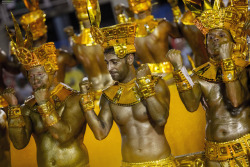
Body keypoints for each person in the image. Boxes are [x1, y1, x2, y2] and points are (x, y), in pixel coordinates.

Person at [80, 22, 176, 166]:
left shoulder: (156, 84)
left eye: (114, 62)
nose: (109, 68)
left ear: (129, 59)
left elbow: (161, 119)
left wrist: (145, 86)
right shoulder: (109, 95)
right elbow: (100, 133)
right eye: (107, 63)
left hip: (161, 163)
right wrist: (86, 101)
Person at [166, 0, 249, 166]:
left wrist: (227, 60)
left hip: (245, 146)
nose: (215, 40)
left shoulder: (243, 69)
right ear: (205, 44)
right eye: (210, 37)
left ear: (233, 43)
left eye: (221, 36)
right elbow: (191, 105)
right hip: (214, 150)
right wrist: (178, 69)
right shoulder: (200, 74)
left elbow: (235, 101)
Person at [2, 15, 90, 167]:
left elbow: (63, 136)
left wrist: (44, 104)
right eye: (31, 76)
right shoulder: (29, 106)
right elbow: (19, 143)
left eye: (40, 75)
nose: (35, 80)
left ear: (53, 72)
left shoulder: (73, 99)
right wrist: (14, 108)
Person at [114, 0, 181, 75]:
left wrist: (120, 17)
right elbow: (179, 33)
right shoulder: (162, 25)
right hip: (168, 73)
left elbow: (125, 52)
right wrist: (174, 7)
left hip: (148, 77)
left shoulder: (130, 33)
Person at [20, 0, 77, 82]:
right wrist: (72, 38)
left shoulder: (25, 65)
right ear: (45, 35)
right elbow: (75, 61)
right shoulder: (59, 56)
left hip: (38, 95)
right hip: (61, 94)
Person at [64, 0, 112, 96]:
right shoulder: (79, 41)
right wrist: (71, 37)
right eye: (80, 8)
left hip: (110, 78)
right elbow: (79, 58)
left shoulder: (103, 36)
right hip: (95, 84)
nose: (83, 10)